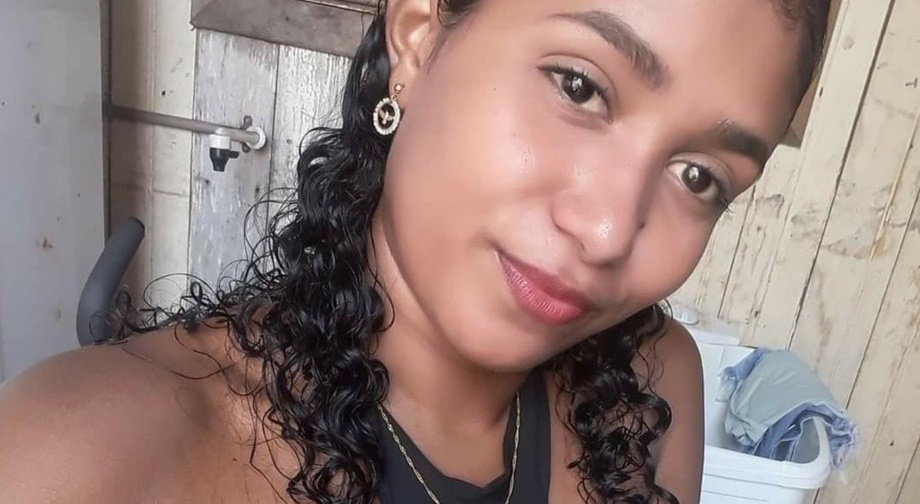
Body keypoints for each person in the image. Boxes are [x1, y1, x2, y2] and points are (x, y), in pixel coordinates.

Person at [0, 0, 831, 502]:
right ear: (419, 36)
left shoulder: (650, 387)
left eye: (698, 176)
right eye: (580, 87)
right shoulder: (81, 460)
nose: (608, 231)